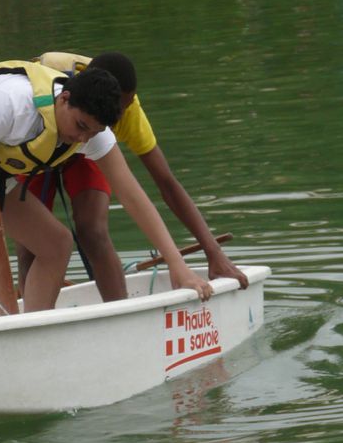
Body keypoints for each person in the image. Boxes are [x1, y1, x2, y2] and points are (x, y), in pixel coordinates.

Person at [0, 59, 213, 318]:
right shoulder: (10, 104)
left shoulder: (90, 132)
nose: (82, 138)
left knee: (56, 244)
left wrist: (179, 266)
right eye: (80, 126)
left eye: (92, 132)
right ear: (64, 98)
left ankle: (32, 334)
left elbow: (133, 196)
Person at [15, 52, 248, 303]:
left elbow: (166, 183)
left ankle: (119, 312)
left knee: (91, 229)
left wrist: (214, 252)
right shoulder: (68, 99)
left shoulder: (124, 116)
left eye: (120, 111)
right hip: (43, 135)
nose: (115, 118)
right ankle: (30, 320)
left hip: (89, 144)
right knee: (31, 243)